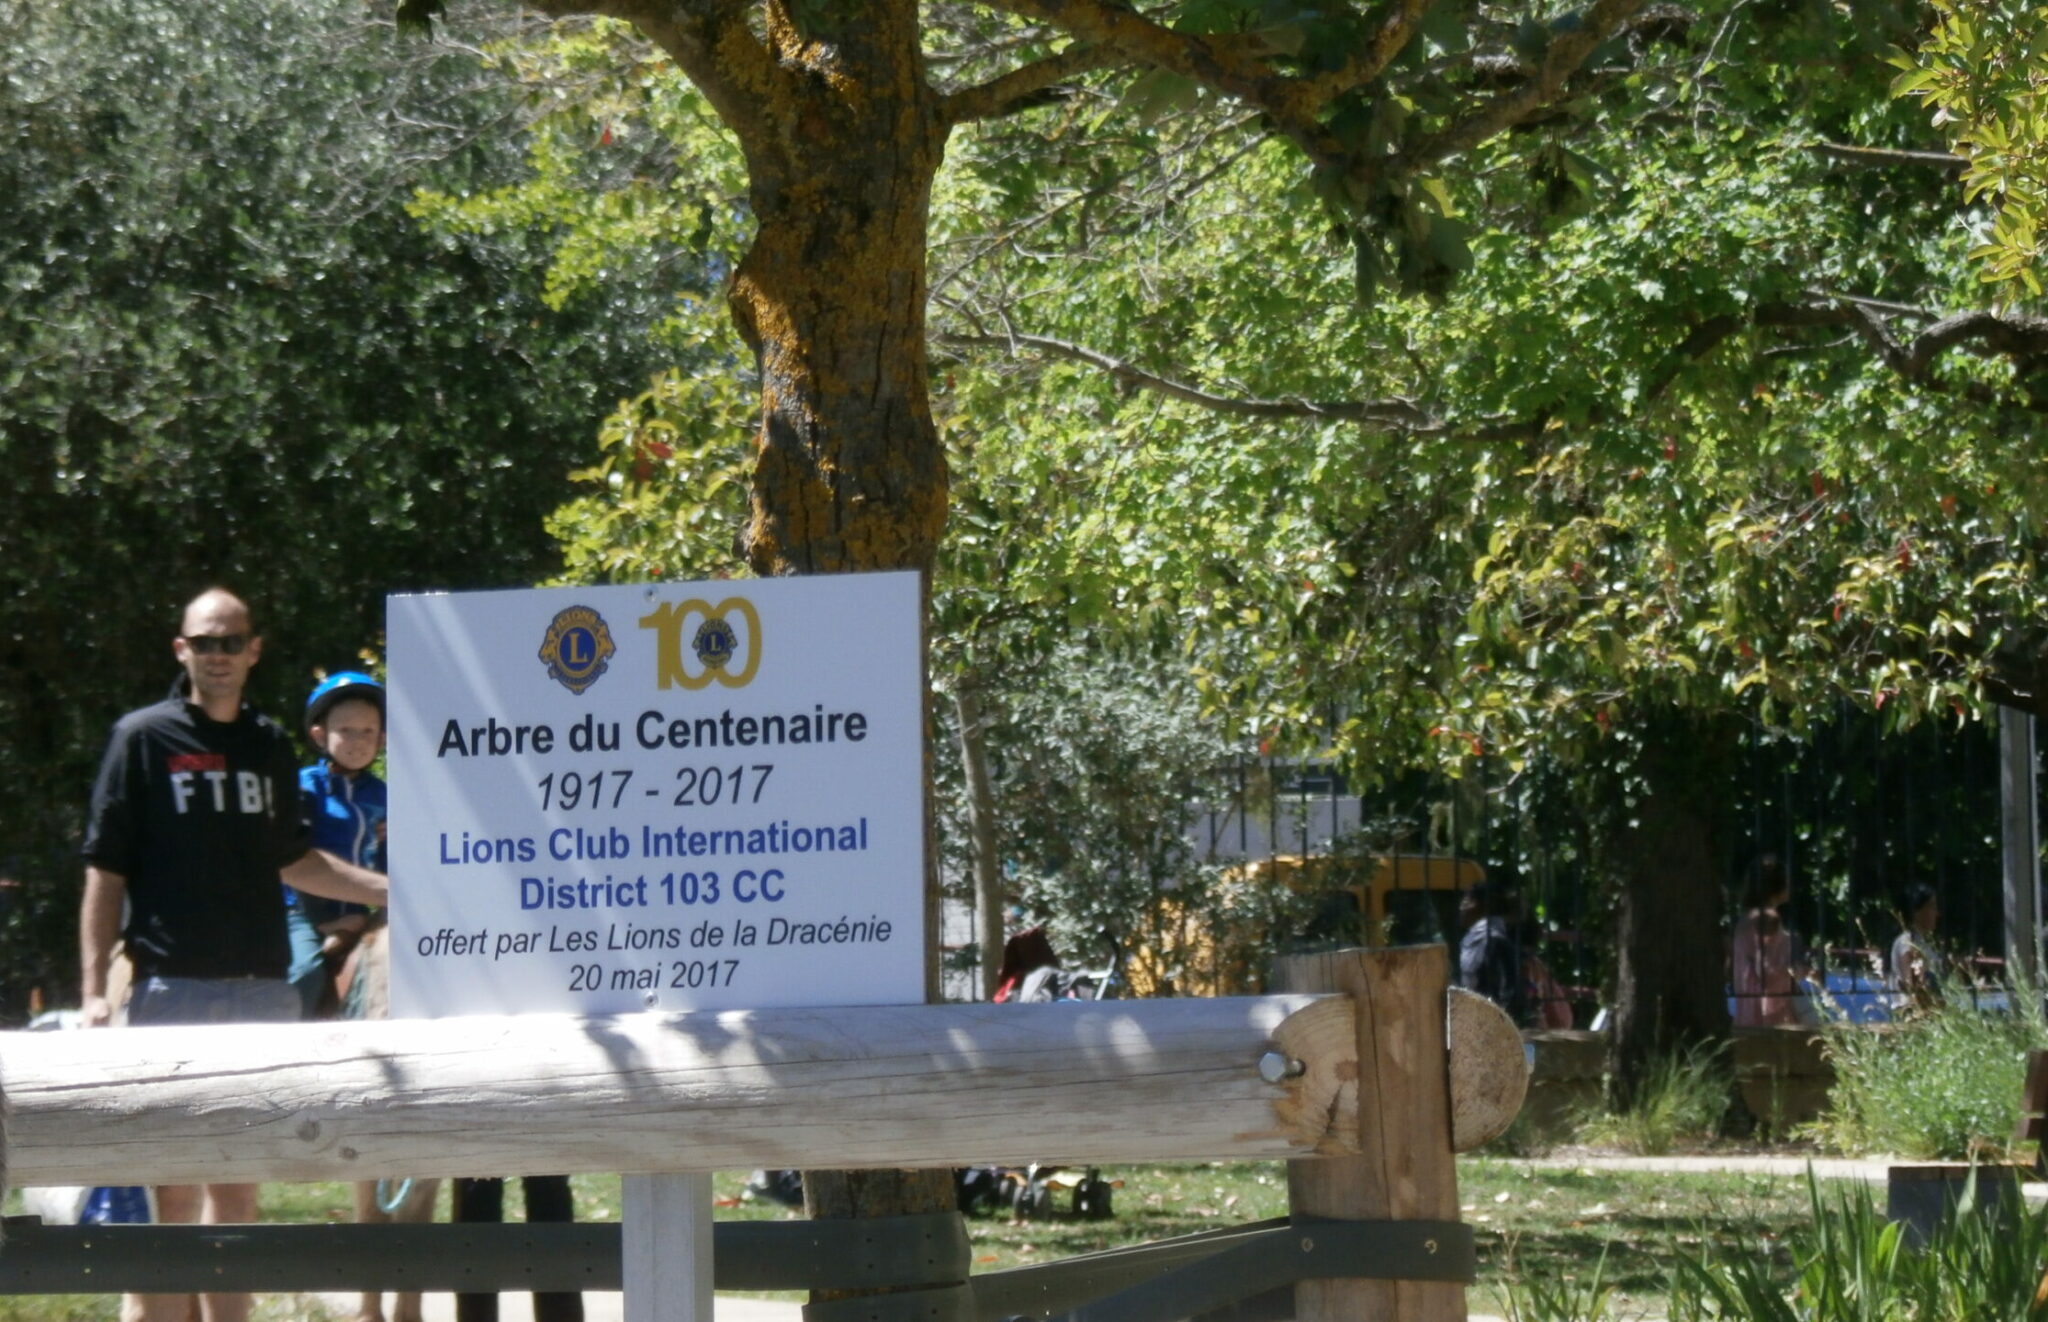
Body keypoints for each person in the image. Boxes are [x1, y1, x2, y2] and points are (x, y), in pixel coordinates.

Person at [80, 587, 389, 1322]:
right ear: (181, 650)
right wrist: (93, 990)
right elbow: (104, 870)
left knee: (239, 1202)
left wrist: (396, 889)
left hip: (261, 992)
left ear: (254, 650)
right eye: (204, 642)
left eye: (232, 642)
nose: (218, 655)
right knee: (175, 1198)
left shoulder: (267, 744)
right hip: (169, 989)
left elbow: (296, 860)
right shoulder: (142, 738)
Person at [289, 671, 385, 1019]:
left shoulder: (383, 796)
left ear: (382, 739)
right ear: (319, 734)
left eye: (368, 731)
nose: (357, 740)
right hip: (303, 914)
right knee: (304, 973)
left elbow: (388, 862)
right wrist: (323, 923)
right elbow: (294, 861)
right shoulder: (303, 788)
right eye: (346, 730)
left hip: (362, 912)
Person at [1731, 855, 1808, 1028]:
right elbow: (1768, 971)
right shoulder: (1768, 918)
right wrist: (1802, 973)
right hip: (1768, 1010)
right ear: (1777, 885)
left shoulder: (1746, 917)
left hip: (1747, 1006)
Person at [1457, 882, 1528, 1025]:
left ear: (1477, 904)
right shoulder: (1480, 939)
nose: (1461, 908)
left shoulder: (1493, 941)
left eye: (1466, 901)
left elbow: (1505, 994)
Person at [1890, 881, 1945, 1014]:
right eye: (1932, 907)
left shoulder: (1923, 943)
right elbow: (1911, 985)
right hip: (1912, 1014)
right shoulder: (1907, 942)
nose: (1936, 914)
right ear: (1917, 911)